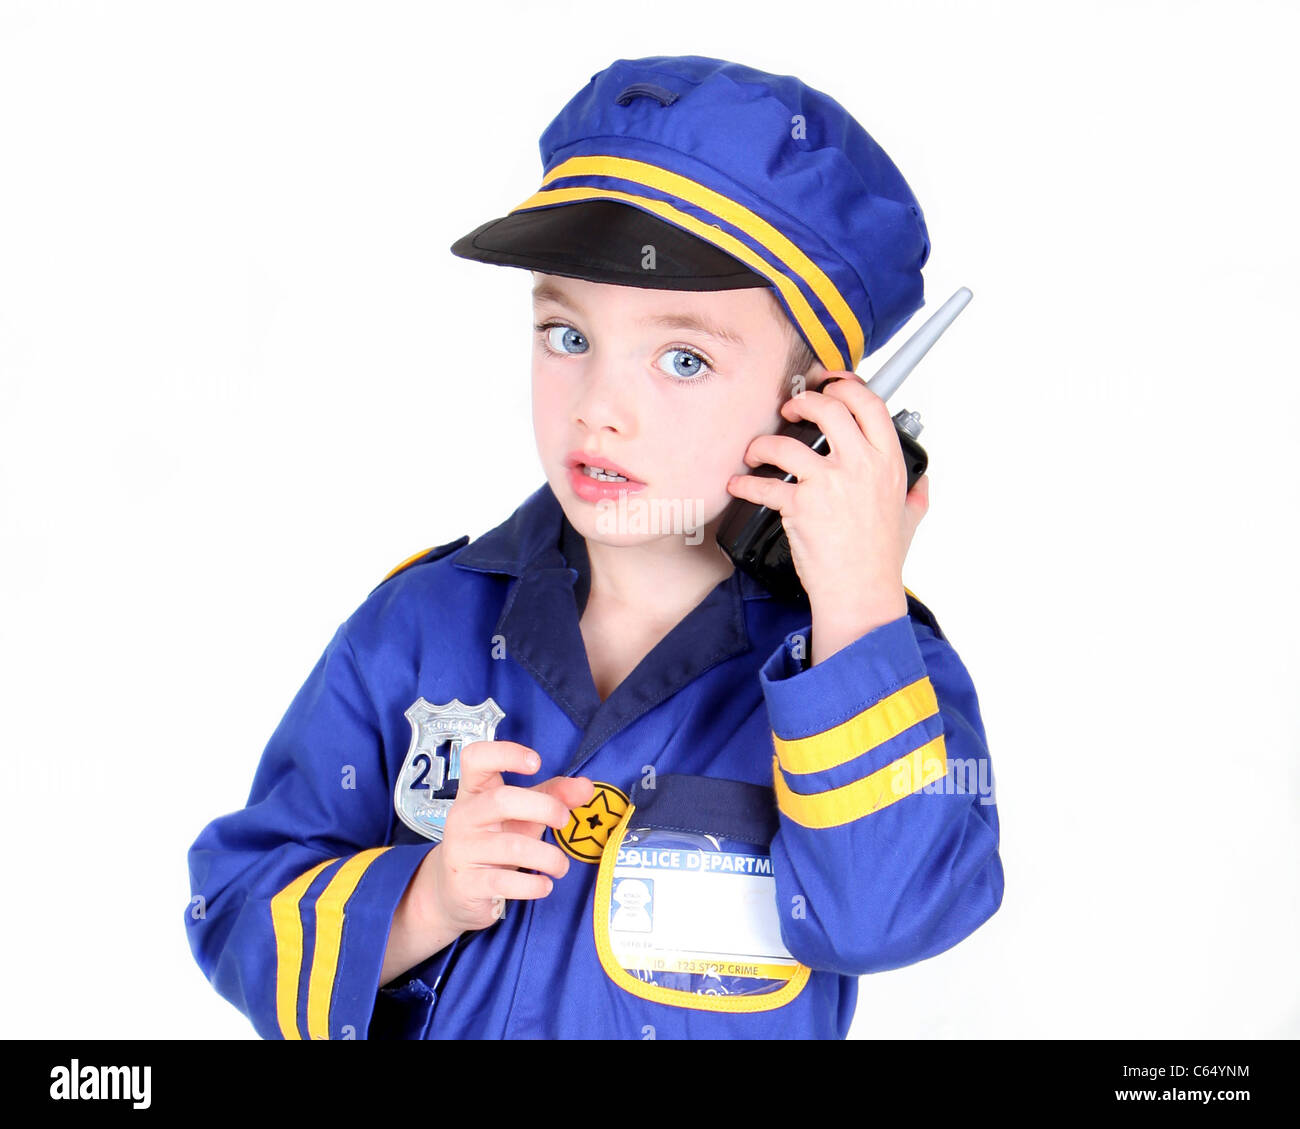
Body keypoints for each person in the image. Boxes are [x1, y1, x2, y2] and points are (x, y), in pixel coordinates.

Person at [184, 54, 1004, 1040]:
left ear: (822, 411)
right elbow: (235, 907)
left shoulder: (879, 668)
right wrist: (421, 899)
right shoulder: (422, 622)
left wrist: (859, 606)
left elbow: (885, 914)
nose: (599, 409)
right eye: (567, 336)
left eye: (683, 357)